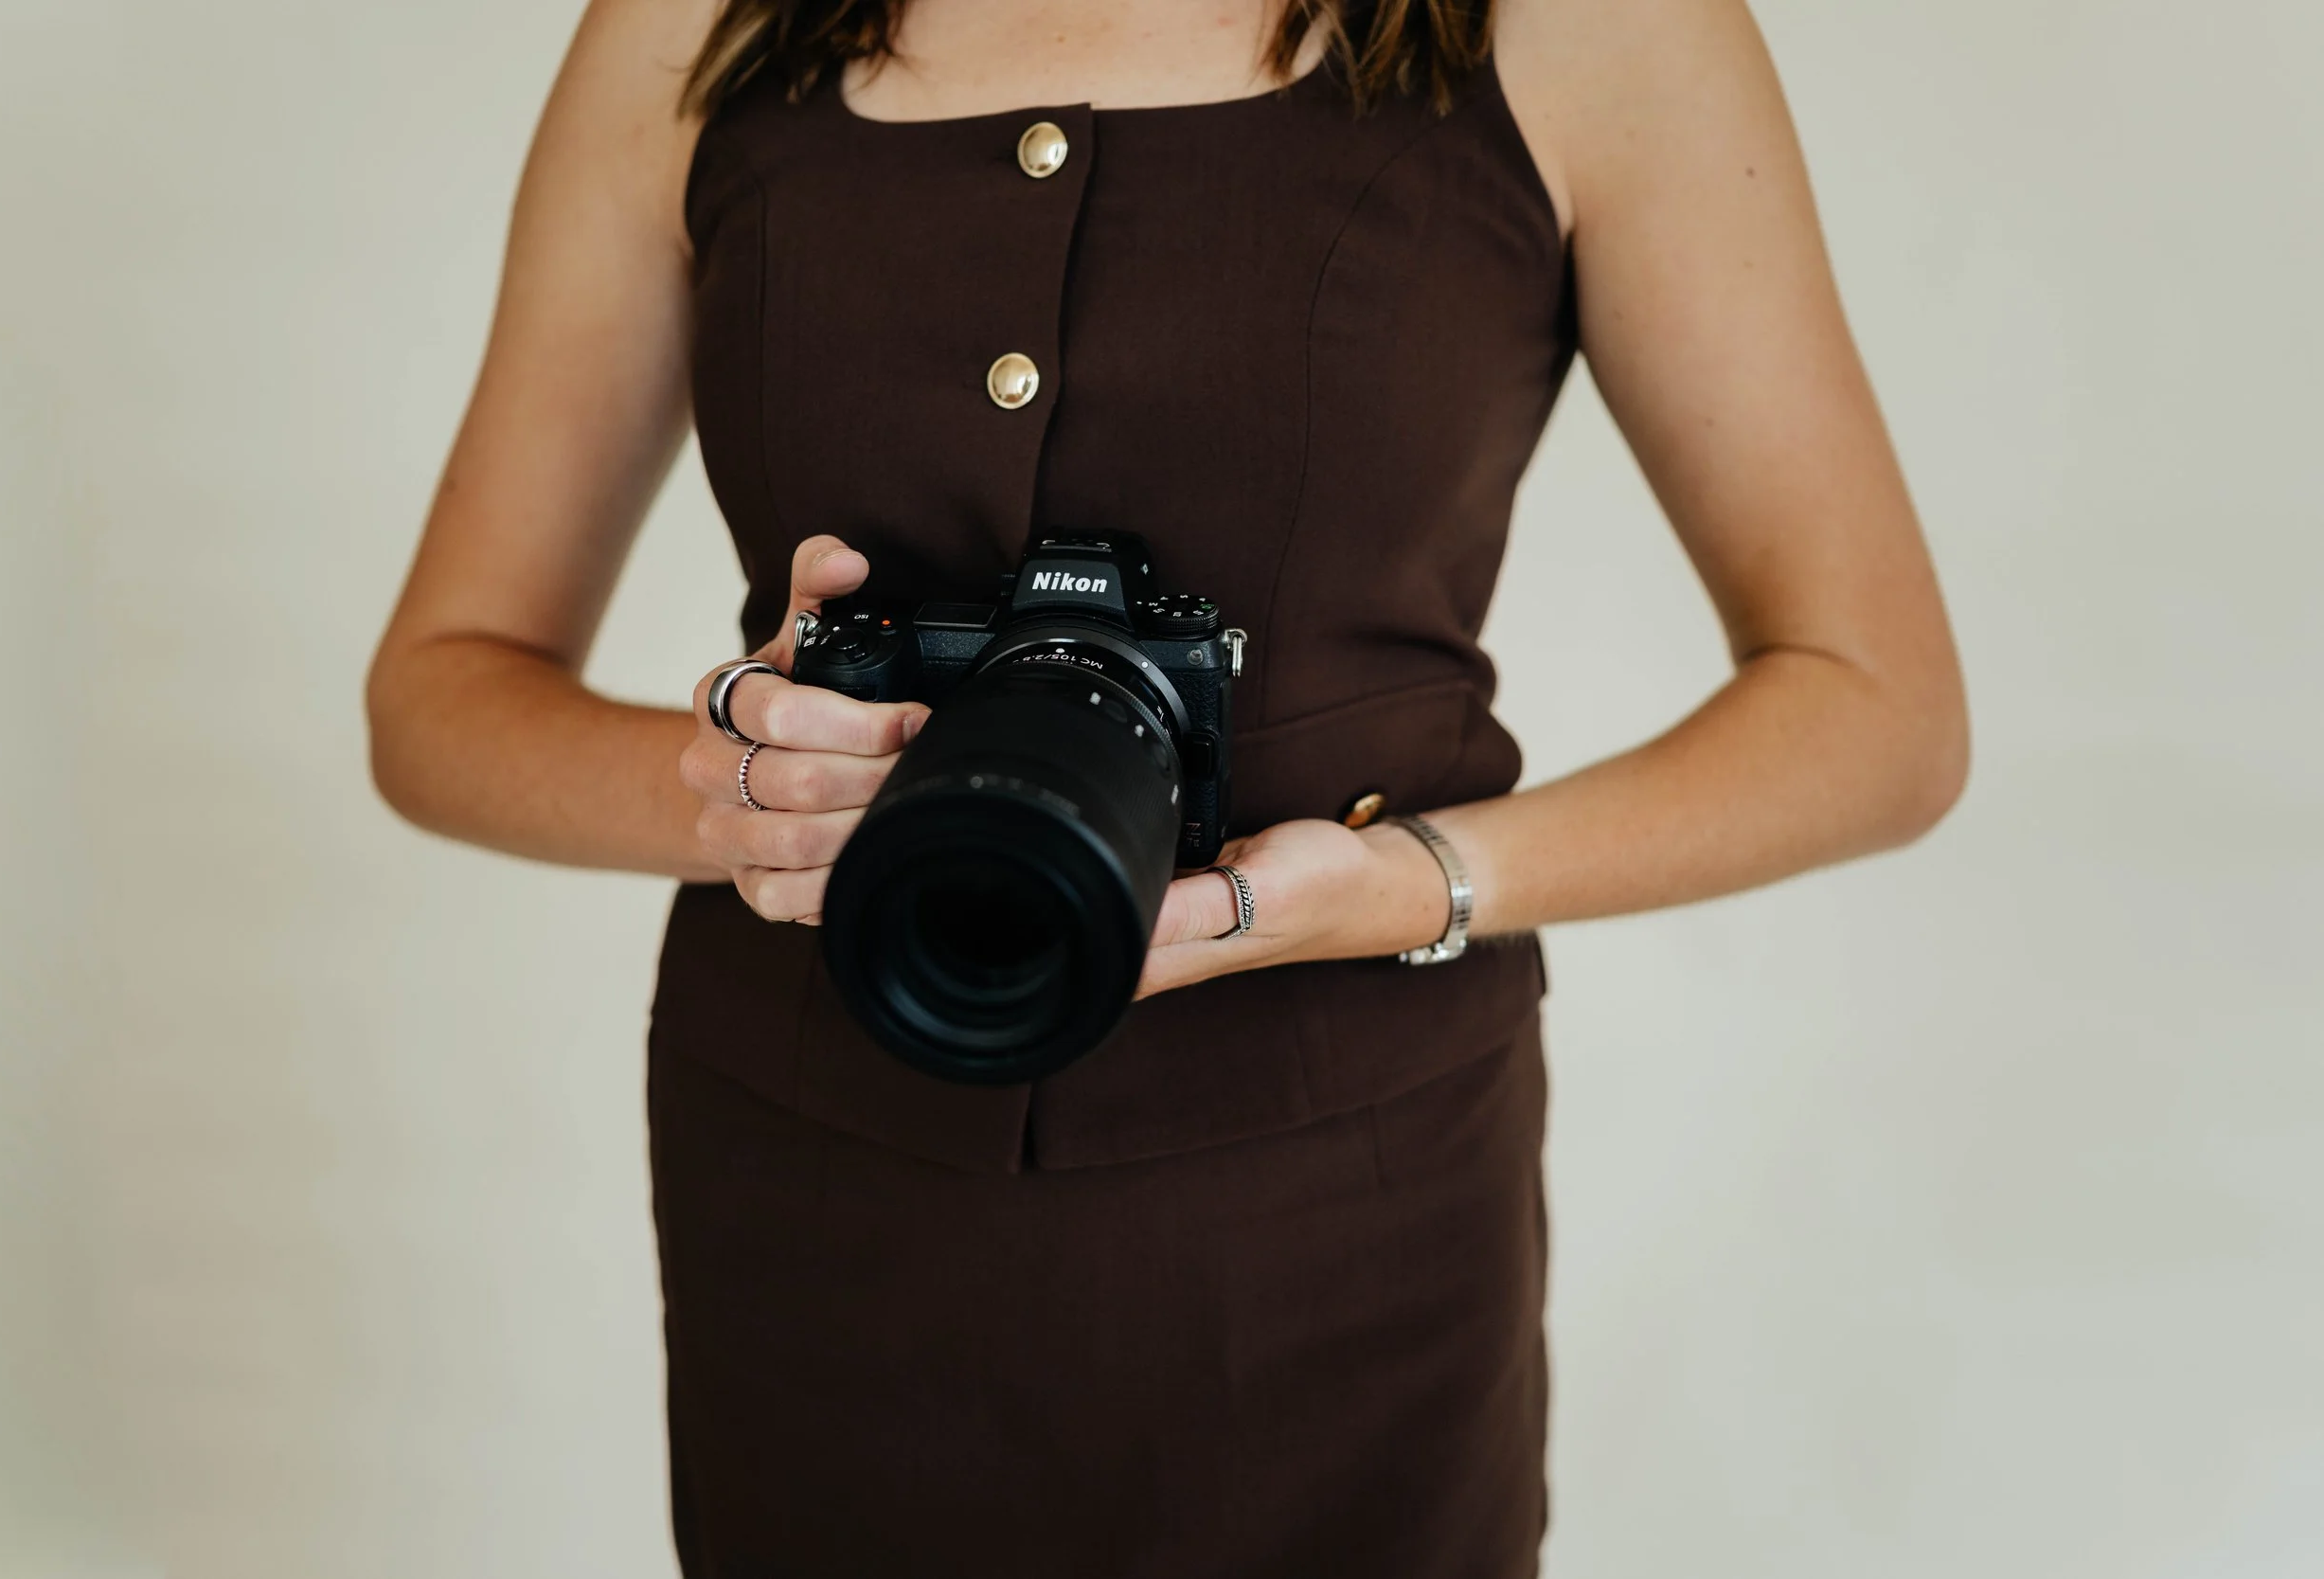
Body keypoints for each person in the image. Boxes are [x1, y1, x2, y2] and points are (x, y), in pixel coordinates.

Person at [366, 0, 1968, 1570]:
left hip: (1342, 1232)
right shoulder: (691, 25)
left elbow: (1875, 710)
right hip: (813, 1202)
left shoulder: (1593, 29)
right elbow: (440, 691)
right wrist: (736, 790)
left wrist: (1423, 881)